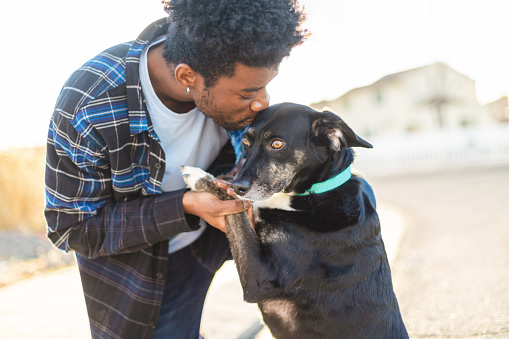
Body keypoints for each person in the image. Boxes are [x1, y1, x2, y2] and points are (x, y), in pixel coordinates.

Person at [44, 0, 307, 338]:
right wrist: (185, 205)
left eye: (266, 86)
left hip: (208, 244)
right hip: (134, 274)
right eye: (249, 92)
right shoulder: (89, 104)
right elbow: (71, 228)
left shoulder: (226, 60)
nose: (262, 103)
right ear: (187, 76)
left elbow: (250, 159)